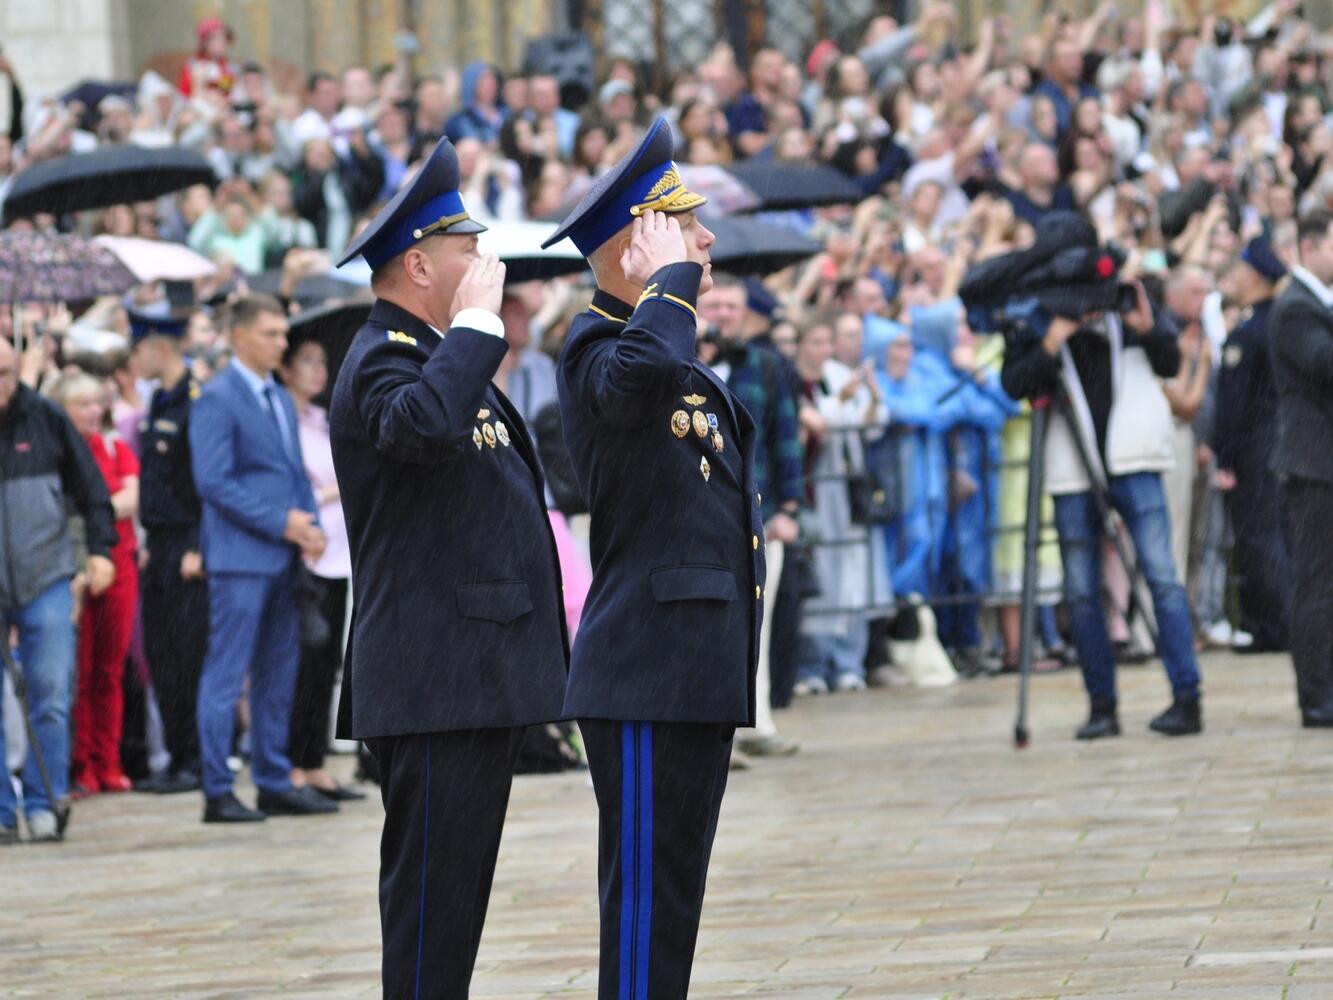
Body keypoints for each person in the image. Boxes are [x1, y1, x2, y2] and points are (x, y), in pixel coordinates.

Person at [331, 137, 568, 997]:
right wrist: (474, 327)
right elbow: (424, 427)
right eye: (469, 250)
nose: (485, 266)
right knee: (431, 905)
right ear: (420, 264)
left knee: (455, 902)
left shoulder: (434, 352)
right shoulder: (384, 355)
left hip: (470, 674)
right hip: (435, 675)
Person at [548, 117, 765, 1000]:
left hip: (689, 668)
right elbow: (633, 382)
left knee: (672, 903)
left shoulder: (664, 348)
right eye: (684, 227)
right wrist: (665, 286)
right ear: (635, 245)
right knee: (643, 906)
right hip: (643, 670)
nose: (705, 241)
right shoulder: (599, 345)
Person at [996, 213, 1204, 740]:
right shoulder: (1037, 312)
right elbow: (1015, 383)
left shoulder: (1128, 297)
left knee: (1162, 577)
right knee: (1082, 589)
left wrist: (1146, 326)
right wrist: (1050, 340)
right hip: (1072, 466)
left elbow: (1167, 361)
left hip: (1134, 456)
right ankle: (1101, 705)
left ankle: (1187, 696)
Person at [189, 294, 333, 824]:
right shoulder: (217, 397)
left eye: (282, 333)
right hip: (240, 558)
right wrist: (281, 522)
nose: (281, 343)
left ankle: (273, 778)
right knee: (227, 674)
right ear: (239, 337)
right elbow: (213, 481)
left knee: (279, 673)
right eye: (271, 333)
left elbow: (291, 470)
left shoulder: (275, 394)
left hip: (283, 556)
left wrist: (308, 526)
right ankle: (217, 788)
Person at [0, 337, 117, 843]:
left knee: (50, 694)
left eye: (6, 372)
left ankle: (45, 801)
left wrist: (100, 549)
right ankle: (3, 811)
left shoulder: (44, 416)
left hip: (46, 575)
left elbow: (91, 488)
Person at [698, 273, 804, 757]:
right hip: (698, 516)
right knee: (706, 625)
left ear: (746, 315)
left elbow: (786, 436)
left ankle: (756, 724)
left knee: (756, 622)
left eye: (732, 307)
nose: (723, 315)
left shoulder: (765, 365)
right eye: (714, 306)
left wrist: (789, 507)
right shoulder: (676, 361)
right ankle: (713, 732)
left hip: (758, 514)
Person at [279, 329, 361, 803]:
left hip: (338, 550)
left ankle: (314, 762)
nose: (318, 370)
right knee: (304, 658)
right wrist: (335, 490)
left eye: (321, 361)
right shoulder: (280, 419)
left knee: (328, 657)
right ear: (286, 368)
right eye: (307, 360)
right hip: (305, 548)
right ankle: (293, 761)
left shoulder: (321, 418)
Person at [130, 311, 206, 795]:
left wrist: (199, 545)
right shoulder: (159, 399)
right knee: (162, 655)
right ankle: (178, 756)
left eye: (138, 349)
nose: (134, 359)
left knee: (188, 653)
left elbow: (204, 481)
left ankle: (195, 758)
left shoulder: (195, 401)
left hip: (186, 541)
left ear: (160, 346)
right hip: (158, 543)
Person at [56, 373, 139, 798]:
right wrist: (105, 505)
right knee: (78, 672)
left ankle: (109, 760)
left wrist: (93, 506)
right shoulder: (58, 452)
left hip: (118, 565)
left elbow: (132, 498)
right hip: (74, 566)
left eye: (96, 403)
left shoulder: (114, 447)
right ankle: (81, 763)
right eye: (82, 404)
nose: (93, 411)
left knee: (110, 669)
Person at [1268, 210, 1333, 727]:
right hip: (1314, 463)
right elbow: (1325, 364)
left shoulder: (1314, 303)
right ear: (1308, 247)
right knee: (1317, 580)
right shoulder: (1295, 307)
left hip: (1321, 460)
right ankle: (1315, 695)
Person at [1213, 238, 1292, 654]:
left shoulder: (1249, 331)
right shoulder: (1279, 321)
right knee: (1274, 534)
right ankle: (1270, 624)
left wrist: (1223, 453)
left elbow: (1234, 402)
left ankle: (1274, 626)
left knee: (1259, 536)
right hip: (1278, 441)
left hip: (1255, 445)